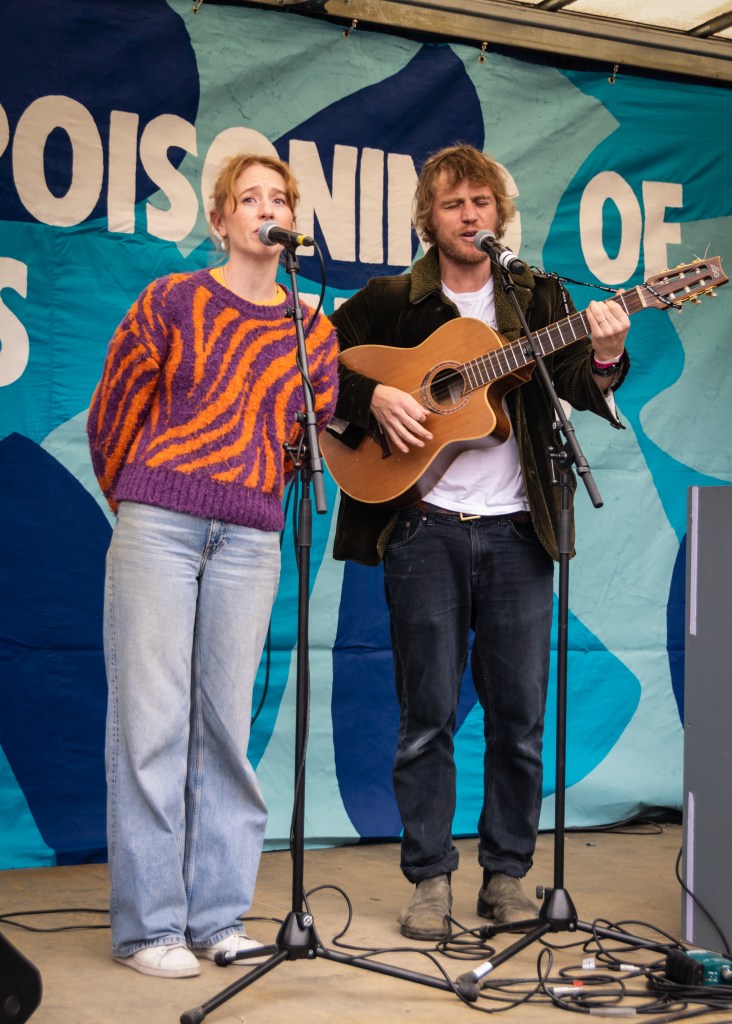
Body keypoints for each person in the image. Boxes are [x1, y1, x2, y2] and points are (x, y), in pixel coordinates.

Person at [328, 144, 630, 941]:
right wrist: (376, 396)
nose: (470, 215)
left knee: (519, 718)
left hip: (519, 531)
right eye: (453, 203)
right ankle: (429, 880)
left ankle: (507, 875)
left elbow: (579, 382)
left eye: (482, 202)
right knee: (425, 716)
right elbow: (316, 366)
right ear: (428, 220)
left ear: (501, 214)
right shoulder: (390, 301)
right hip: (422, 526)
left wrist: (604, 353)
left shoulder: (538, 297)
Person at [87, 153, 339, 977]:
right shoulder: (172, 300)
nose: (267, 209)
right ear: (221, 220)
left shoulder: (313, 333)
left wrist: (249, 499)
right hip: (159, 525)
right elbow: (112, 412)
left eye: (280, 198)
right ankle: (149, 928)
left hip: (251, 538)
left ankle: (217, 918)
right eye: (248, 197)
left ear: (291, 221)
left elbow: (304, 439)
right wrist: (141, 497)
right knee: (151, 725)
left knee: (225, 730)